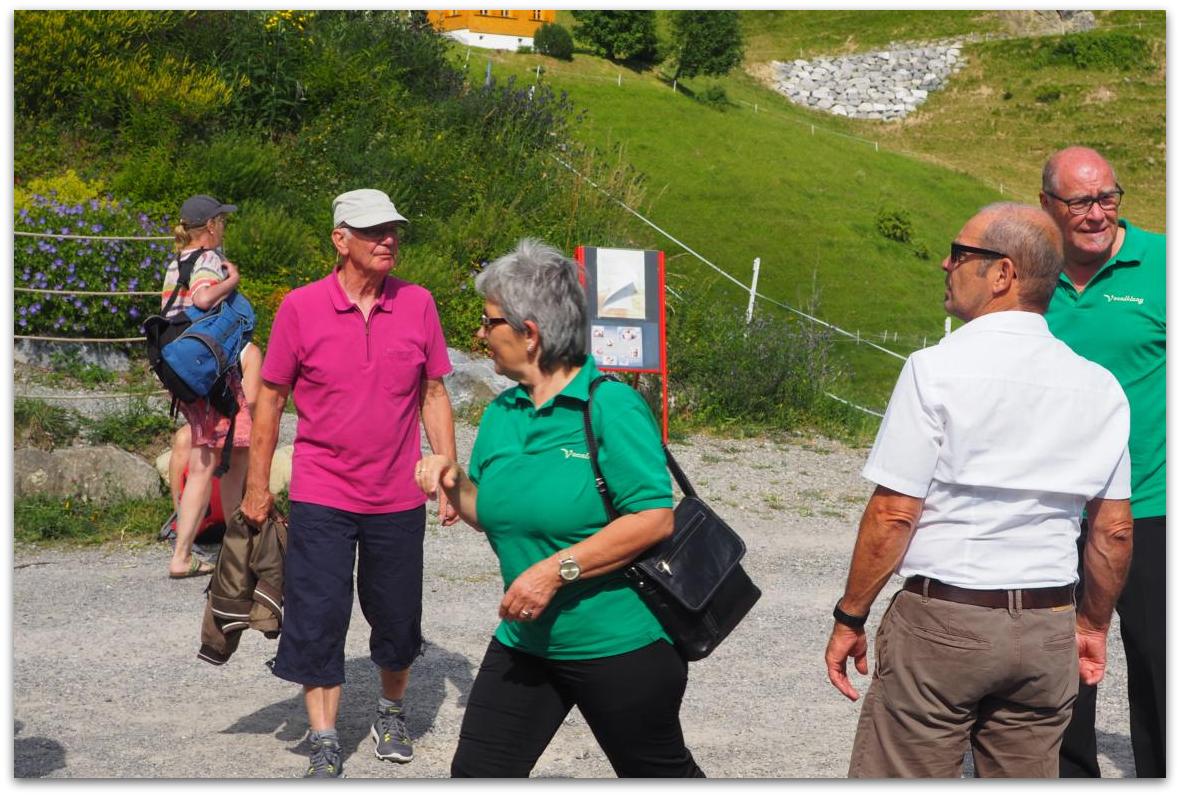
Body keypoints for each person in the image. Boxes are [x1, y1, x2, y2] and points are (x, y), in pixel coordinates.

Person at [824, 203, 1133, 778]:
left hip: (948, 618)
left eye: (961, 253)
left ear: (1002, 274)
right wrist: (1092, 624)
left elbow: (894, 514)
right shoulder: (1100, 386)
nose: (946, 263)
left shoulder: (934, 368)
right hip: (1046, 622)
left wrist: (851, 615)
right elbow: (1113, 529)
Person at [415, 239, 704, 778]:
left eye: (489, 322)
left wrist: (554, 571)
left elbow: (653, 517)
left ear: (531, 333)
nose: (479, 335)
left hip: (618, 644)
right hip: (526, 641)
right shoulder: (503, 412)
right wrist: (454, 482)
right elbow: (496, 512)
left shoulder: (609, 405)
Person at [240, 188, 457, 778]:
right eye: (373, 231)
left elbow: (434, 391)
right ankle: (325, 736)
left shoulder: (418, 304)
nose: (388, 240)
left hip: (397, 493)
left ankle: (391, 710)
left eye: (393, 230)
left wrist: (446, 468)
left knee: (396, 613)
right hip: (322, 490)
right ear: (340, 239)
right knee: (318, 612)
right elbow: (271, 399)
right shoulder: (300, 307)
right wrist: (257, 486)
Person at [1039, 147, 1167, 779]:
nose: (1096, 215)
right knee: (1060, 671)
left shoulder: (1164, 263)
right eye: (1080, 203)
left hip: (1152, 505)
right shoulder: (1029, 276)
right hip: (1054, 511)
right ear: (1047, 208)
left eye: (1107, 198)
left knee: (1159, 665)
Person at [163, 194, 252, 579]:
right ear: (211, 226)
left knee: (204, 459)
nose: (224, 228)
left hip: (186, 372)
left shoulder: (176, 262)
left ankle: (183, 554)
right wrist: (232, 280)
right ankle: (239, 552)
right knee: (238, 452)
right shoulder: (209, 261)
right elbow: (202, 297)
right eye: (222, 222)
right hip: (212, 374)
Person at [163, 341, 262, 548]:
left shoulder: (246, 352)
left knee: (236, 445)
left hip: (234, 422)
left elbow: (252, 402)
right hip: (210, 423)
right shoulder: (198, 344)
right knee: (183, 439)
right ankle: (182, 517)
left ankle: (233, 526)